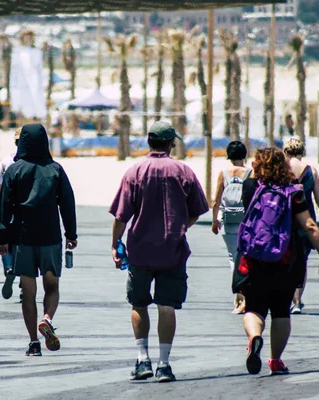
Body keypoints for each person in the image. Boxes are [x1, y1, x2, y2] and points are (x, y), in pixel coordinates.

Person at [109, 120, 208, 383]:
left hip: (140, 250)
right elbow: (197, 211)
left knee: (138, 303)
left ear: (149, 141)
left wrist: (115, 242)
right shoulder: (183, 171)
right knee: (166, 306)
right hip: (172, 251)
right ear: (170, 143)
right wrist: (179, 227)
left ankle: (143, 360)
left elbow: (121, 215)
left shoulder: (135, 171)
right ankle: (164, 364)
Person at [238, 148, 319, 376]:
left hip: (254, 257)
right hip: (286, 259)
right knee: (281, 311)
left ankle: (255, 337)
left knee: (254, 307)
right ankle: (276, 360)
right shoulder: (294, 192)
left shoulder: (250, 187)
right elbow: (309, 225)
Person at [0, 123, 77, 357]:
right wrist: (71, 234)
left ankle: (33, 342)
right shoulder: (56, 170)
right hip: (50, 237)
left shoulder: (15, 170)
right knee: (52, 287)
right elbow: (67, 204)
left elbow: (5, 207)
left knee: (28, 292)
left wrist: (2, 237)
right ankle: (47, 318)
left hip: (22, 239)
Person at [283, 139, 319, 314]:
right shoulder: (312, 171)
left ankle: (285, 297)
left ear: (286, 152)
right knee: (301, 260)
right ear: (302, 152)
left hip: (285, 219)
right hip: (306, 219)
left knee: (285, 258)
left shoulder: (282, 169)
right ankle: (297, 300)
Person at [211, 141, 252, 314]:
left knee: (232, 258)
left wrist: (215, 221)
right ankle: (245, 296)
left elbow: (216, 200)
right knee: (246, 257)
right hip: (247, 222)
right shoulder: (250, 172)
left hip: (229, 220)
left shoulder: (223, 173)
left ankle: (238, 295)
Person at [0, 128, 21, 300]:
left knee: (4, 241)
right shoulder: (34, 163)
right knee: (23, 245)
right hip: (25, 211)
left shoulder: (5, 162)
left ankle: (9, 268)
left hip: (6, 209)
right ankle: (25, 283)